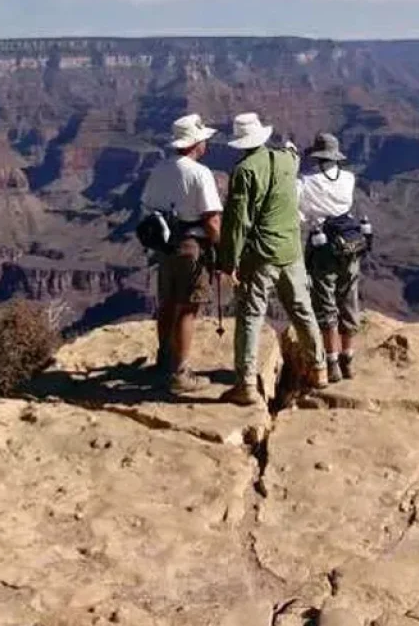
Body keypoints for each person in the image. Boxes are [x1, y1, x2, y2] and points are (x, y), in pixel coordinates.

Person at [216, 112, 328, 406]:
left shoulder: (244, 171)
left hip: (262, 255)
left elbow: (237, 221)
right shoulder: (286, 160)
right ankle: (319, 369)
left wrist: (228, 261)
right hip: (291, 251)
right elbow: (294, 155)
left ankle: (246, 385)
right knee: (302, 310)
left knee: (251, 316)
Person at [140, 113, 223, 394]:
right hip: (191, 246)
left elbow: (147, 206)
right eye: (203, 140)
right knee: (188, 307)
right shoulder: (200, 173)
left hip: (165, 246)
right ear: (194, 143)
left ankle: (163, 360)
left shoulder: (160, 168)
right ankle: (180, 373)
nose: (206, 145)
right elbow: (212, 219)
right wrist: (222, 248)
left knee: (167, 303)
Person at [298, 133, 363, 383]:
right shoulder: (349, 177)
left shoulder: (306, 181)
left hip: (323, 246)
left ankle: (332, 362)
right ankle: (349, 361)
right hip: (350, 245)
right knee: (349, 299)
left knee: (326, 303)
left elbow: (301, 213)